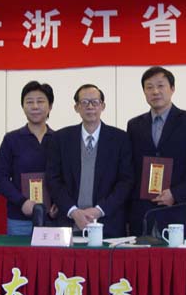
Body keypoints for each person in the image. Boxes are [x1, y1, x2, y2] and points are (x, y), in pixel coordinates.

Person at [127, 66, 186, 238]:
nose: (155, 91)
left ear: (172, 88)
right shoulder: (134, 125)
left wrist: (175, 193)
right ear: (144, 92)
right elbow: (130, 168)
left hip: (177, 210)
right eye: (149, 87)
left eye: (160, 85)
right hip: (142, 212)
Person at [46, 84, 133, 238]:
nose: (90, 107)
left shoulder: (120, 139)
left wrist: (99, 210)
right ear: (76, 107)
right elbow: (53, 179)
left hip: (108, 223)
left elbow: (126, 181)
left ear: (103, 106)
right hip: (69, 223)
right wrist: (73, 211)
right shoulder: (61, 139)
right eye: (84, 102)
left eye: (95, 102)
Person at [0, 81, 58, 236]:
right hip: (19, 219)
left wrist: (59, 203)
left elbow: (67, 178)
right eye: (29, 102)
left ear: (50, 106)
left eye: (40, 101)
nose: (35, 106)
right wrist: (21, 202)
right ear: (23, 106)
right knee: (19, 253)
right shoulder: (11, 139)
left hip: (53, 218)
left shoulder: (59, 139)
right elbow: (0, 177)